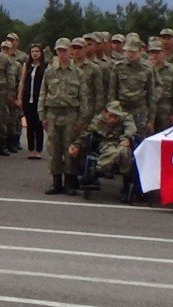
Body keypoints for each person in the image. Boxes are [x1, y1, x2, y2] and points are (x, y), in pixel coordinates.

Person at [38, 38, 89, 196]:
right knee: (54, 149)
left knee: (69, 149)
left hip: (70, 115)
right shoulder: (49, 71)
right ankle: (56, 182)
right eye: (59, 50)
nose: (62, 53)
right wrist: (42, 115)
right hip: (53, 114)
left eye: (64, 50)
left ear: (70, 52)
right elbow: (42, 94)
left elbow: (84, 99)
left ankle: (69, 183)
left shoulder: (78, 73)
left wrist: (82, 119)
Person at [68, 100, 136, 200]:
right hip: (106, 143)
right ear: (105, 112)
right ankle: (101, 169)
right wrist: (76, 145)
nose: (113, 119)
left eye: (116, 117)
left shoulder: (125, 117)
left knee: (124, 151)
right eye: (111, 116)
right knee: (114, 152)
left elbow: (131, 128)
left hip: (121, 142)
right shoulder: (98, 120)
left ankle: (121, 184)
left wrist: (127, 137)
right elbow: (87, 133)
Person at [17, 44, 46, 159]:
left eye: (37, 51)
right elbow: (22, 82)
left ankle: (38, 150)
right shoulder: (27, 65)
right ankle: (31, 149)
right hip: (27, 98)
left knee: (38, 124)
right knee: (30, 125)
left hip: (39, 99)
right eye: (33, 51)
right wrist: (19, 97)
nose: (35, 53)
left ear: (41, 53)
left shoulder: (45, 66)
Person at [149, 41, 173, 133]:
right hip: (148, 112)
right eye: (152, 52)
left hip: (165, 111)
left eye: (157, 52)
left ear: (163, 52)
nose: (154, 55)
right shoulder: (145, 69)